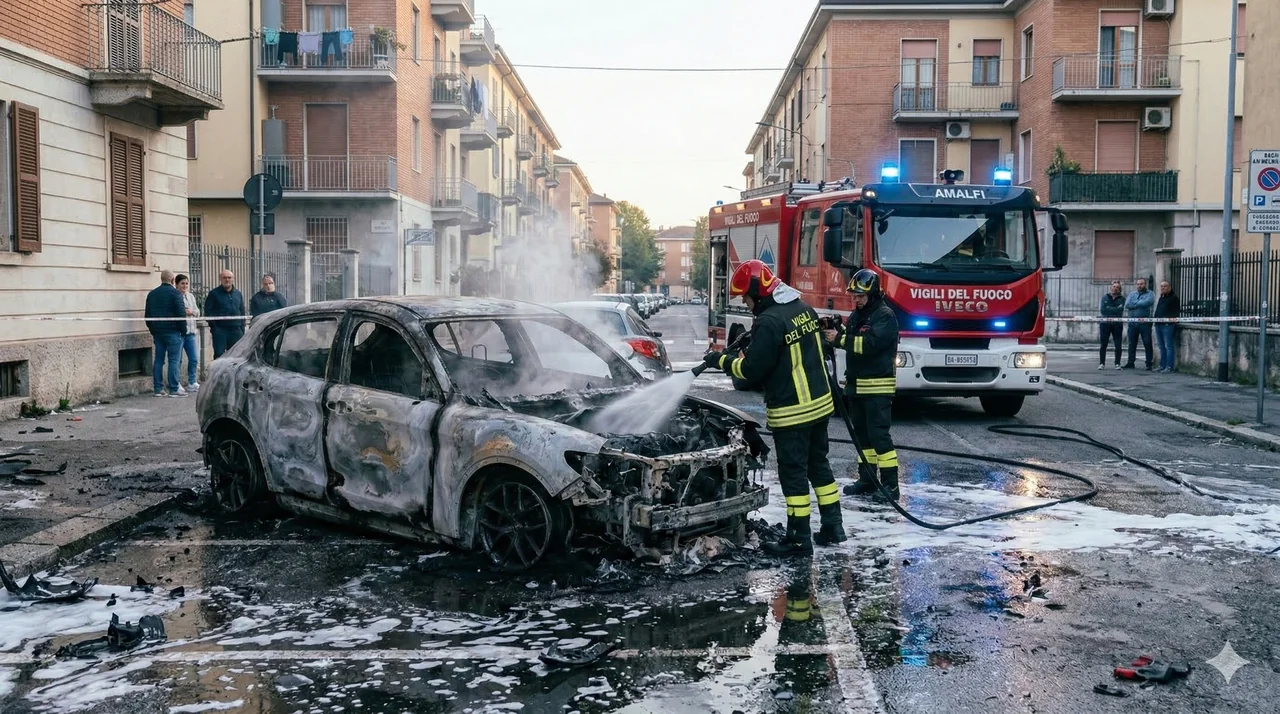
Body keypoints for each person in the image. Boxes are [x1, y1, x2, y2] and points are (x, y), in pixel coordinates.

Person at [701, 260, 845, 557]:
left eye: (746, 297)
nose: (745, 302)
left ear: (757, 292)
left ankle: (798, 539)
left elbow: (752, 370)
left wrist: (722, 361)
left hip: (793, 411)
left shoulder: (769, 322)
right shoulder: (802, 309)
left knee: (793, 475)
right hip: (820, 406)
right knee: (819, 466)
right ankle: (833, 525)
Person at [825, 269, 901, 501]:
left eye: (860, 295)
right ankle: (867, 480)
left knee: (879, 437)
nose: (856, 299)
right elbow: (854, 336)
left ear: (873, 294)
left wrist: (839, 339)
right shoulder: (859, 315)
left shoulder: (884, 316)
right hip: (856, 387)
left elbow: (870, 344)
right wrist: (840, 330)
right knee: (862, 438)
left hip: (877, 388)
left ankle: (891, 486)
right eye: (854, 295)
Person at [144, 270, 187, 398]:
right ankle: (174, 388)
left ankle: (158, 388)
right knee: (173, 360)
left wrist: (153, 329)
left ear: (161, 279)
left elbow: (147, 315)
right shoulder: (176, 294)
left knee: (158, 360)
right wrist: (183, 331)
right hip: (173, 332)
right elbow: (181, 315)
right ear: (173, 280)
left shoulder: (152, 294)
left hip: (158, 332)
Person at [205, 269, 247, 359]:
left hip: (236, 331)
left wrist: (242, 328)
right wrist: (215, 328)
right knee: (219, 356)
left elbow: (242, 311)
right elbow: (208, 312)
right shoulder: (214, 294)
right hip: (220, 331)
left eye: (229, 277)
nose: (227, 280)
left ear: (233, 279)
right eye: (224, 278)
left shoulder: (238, 294)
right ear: (220, 279)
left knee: (236, 356)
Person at [1124, 278, 1155, 370]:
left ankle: (1149, 363)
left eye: (1141, 284)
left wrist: (1134, 304)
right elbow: (1127, 304)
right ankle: (1130, 362)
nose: (1139, 286)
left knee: (1147, 343)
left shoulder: (1150, 294)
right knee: (1131, 343)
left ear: (1145, 284)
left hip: (1145, 323)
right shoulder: (1132, 294)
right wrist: (1138, 303)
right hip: (1132, 323)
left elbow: (1147, 302)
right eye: (1138, 284)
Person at [175, 274, 200, 392]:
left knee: (194, 358)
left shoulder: (191, 296)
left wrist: (192, 312)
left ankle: (192, 382)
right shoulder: (175, 296)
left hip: (191, 332)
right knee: (177, 360)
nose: (185, 286)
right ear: (177, 284)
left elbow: (198, 311)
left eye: (186, 283)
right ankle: (177, 383)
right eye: (182, 284)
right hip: (179, 333)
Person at [1155, 280, 1181, 373]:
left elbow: (1175, 312)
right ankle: (1162, 365)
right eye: (1161, 286)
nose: (1162, 288)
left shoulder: (1174, 298)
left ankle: (1169, 366)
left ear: (1169, 288)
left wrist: (1168, 319)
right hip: (1158, 324)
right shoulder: (1161, 297)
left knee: (1168, 346)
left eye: (1165, 286)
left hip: (1167, 325)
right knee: (1161, 346)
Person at [1099, 281, 1125, 370]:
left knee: (1118, 345)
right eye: (1114, 286)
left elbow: (1120, 310)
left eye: (1117, 287)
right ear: (1111, 288)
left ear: (1120, 289)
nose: (1115, 288)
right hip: (1105, 324)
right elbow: (1103, 310)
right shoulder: (1104, 297)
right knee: (1103, 345)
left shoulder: (1122, 299)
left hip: (1117, 324)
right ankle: (1102, 363)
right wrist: (1114, 309)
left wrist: (1109, 308)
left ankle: (1117, 363)